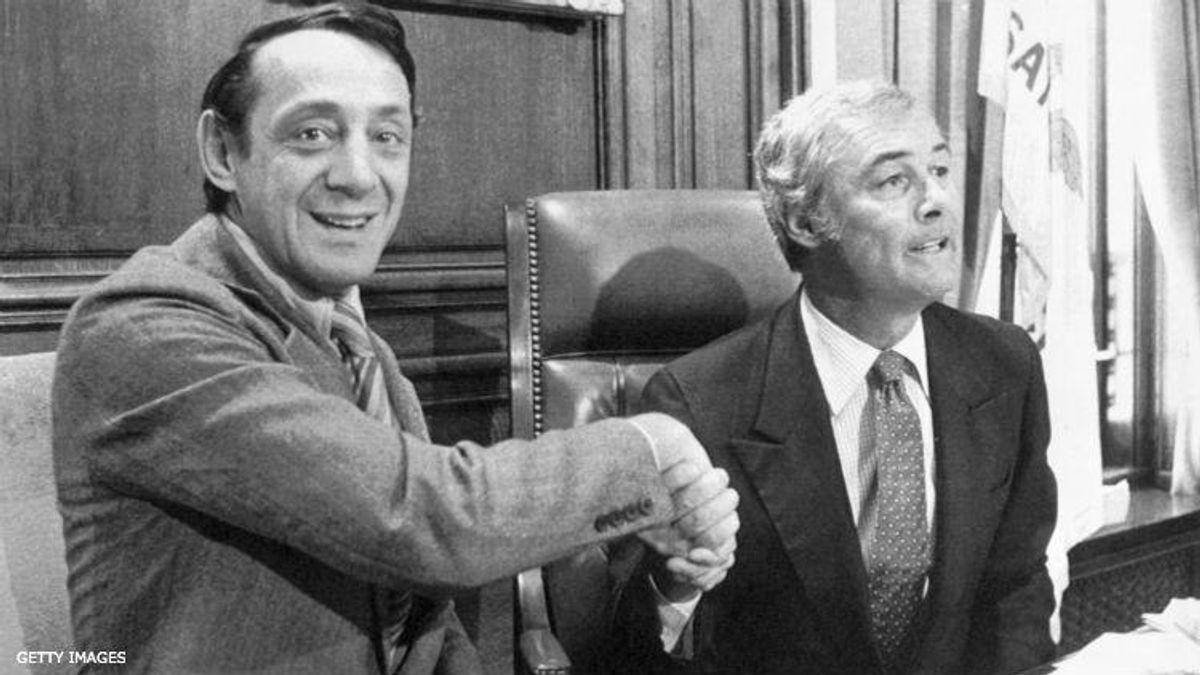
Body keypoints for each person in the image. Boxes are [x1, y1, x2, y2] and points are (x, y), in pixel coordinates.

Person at [50, 5, 737, 674]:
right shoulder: (142, 324)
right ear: (223, 152)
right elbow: (419, 520)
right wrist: (648, 448)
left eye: (387, 137)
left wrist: (666, 564)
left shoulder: (361, 352)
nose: (358, 175)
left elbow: (425, 632)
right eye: (312, 134)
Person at [605, 80, 1058, 674]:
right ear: (806, 222)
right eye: (893, 181)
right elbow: (627, 647)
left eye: (939, 169)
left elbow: (1016, 585)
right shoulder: (696, 405)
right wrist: (678, 585)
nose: (937, 201)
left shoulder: (1005, 363)